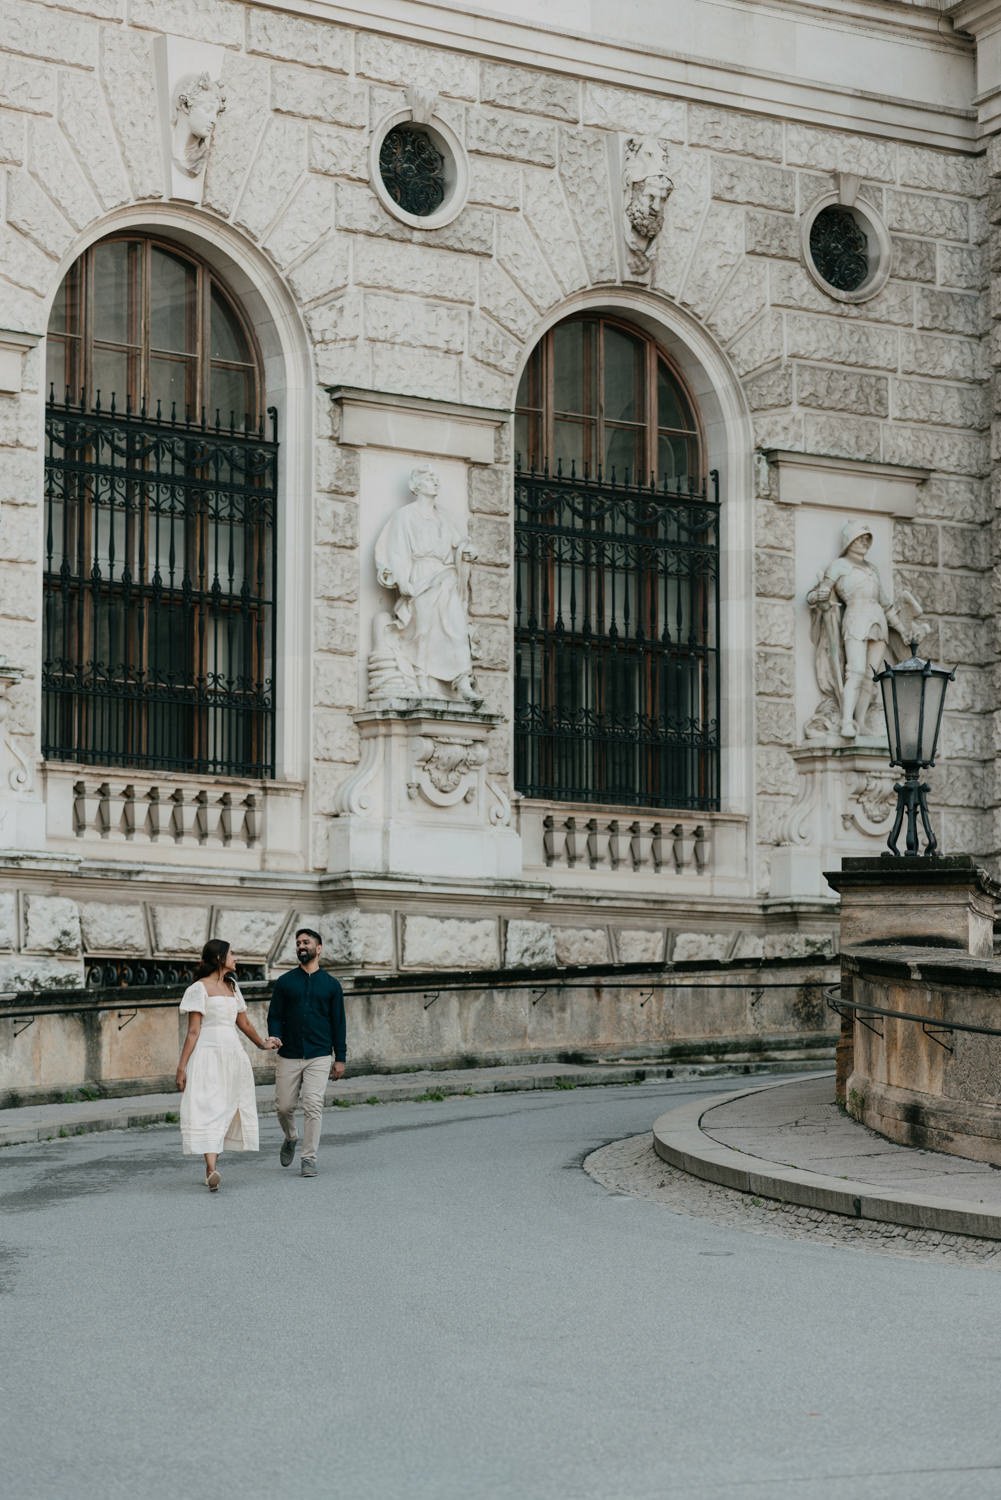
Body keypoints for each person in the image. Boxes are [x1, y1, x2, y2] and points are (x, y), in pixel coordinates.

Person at [806, 519, 926, 740]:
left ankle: (860, 722)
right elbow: (819, 593)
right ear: (850, 540)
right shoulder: (839, 565)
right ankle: (846, 721)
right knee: (856, 671)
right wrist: (818, 596)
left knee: (871, 675)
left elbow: (886, 605)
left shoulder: (872, 569)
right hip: (855, 618)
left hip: (877, 621)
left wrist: (902, 631)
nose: (864, 543)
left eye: (866, 539)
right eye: (860, 538)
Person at [175, 938, 279, 1191]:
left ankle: (211, 1167)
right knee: (208, 1106)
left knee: (226, 1106)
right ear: (220, 958)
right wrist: (181, 1067)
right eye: (232, 954)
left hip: (233, 1054)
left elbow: (244, 1023)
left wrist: (262, 1044)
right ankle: (211, 1169)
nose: (236, 958)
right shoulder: (198, 989)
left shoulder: (233, 986)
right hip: (208, 1054)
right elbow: (193, 1031)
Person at [373, 464, 481, 704]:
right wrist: (404, 582)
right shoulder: (405, 516)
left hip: (446, 578)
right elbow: (396, 550)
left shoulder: (444, 518)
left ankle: (463, 680)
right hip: (420, 577)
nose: (435, 481)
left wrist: (467, 551)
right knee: (423, 630)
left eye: (436, 478)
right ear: (415, 486)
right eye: (429, 478)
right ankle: (422, 680)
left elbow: (460, 544)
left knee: (456, 627)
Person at [267, 928, 347, 1178]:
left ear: (318, 948)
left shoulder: (331, 985)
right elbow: (274, 1015)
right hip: (288, 1054)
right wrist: (275, 1035)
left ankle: (309, 1158)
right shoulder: (285, 982)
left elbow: (339, 1023)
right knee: (284, 1107)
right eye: (298, 943)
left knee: (313, 1105)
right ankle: (291, 1137)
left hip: (319, 1054)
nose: (301, 946)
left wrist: (340, 1058)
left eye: (306, 942)